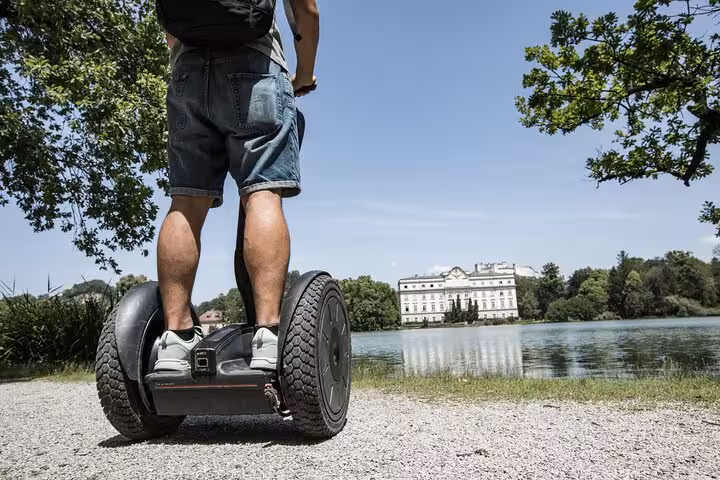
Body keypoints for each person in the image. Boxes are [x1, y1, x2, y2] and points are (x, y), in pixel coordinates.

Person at [152, 0, 320, 373]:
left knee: (186, 202)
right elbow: (306, 11)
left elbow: (168, 20)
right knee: (262, 193)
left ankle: (173, 341)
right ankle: (268, 335)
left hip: (186, 71)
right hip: (255, 65)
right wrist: (304, 74)